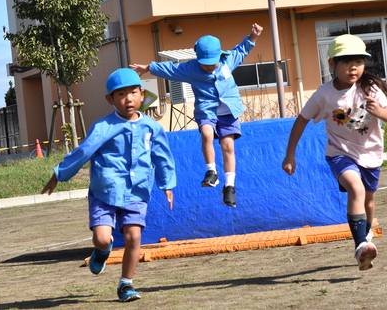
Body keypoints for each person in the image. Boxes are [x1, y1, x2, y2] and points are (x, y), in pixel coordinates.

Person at [41, 68, 176, 302]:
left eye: (133, 92)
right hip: (105, 192)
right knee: (103, 238)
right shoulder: (103, 127)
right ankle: (102, 251)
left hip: (137, 190)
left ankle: (126, 285)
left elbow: (162, 156)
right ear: (110, 99)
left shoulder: (153, 127)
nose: (128, 99)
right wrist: (59, 174)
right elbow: (82, 152)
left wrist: (167, 184)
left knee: (134, 237)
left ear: (142, 94)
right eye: (121, 94)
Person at [282, 34, 387, 271]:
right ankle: (360, 245)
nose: (353, 67)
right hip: (339, 152)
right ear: (331, 63)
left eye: (359, 62)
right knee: (356, 188)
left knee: (369, 201)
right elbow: (301, 121)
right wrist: (290, 154)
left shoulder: (370, 88)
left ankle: (365, 233)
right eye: (346, 62)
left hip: (370, 153)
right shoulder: (324, 94)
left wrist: (380, 112)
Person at [130, 23, 263, 208]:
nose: (208, 67)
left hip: (229, 111)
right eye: (204, 64)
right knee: (207, 134)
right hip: (207, 110)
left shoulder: (228, 60)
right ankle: (211, 172)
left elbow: (241, 50)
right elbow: (170, 69)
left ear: (219, 56)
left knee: (228, 146)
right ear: (197, 58)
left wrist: (253, 37)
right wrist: (147, 68)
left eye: (212, 63)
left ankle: (230, 187)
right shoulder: (191, 69)